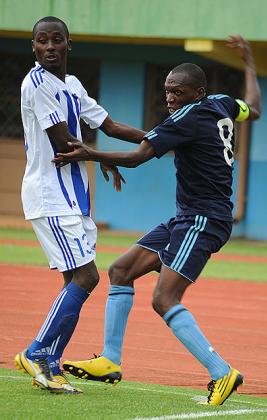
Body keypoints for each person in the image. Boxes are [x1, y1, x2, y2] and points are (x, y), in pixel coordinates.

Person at [55, 36, 261, 405]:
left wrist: (88, 153)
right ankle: (110, 361)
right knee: (120, 270)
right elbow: (255, 109)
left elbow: (140, 156)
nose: (170, 98)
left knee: (164, 298)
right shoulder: (221, 104)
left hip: (203, 219)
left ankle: (221, 372)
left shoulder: (186, 116)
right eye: (167, 91)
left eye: (177, 92)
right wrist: (249, 65)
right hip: (187, 217)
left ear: (196, 91)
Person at [15, 16, 146, 394]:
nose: (50, 46)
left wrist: (160, 138)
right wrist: (106, 158)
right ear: (34, 48)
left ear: (69, 44)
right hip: (50, 194)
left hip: (73, 195)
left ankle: (51, 362)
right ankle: (37, 351)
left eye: (57, 40)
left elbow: (107, 125)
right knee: (87, 277)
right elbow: (63, 143)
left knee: (74, 280)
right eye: (42, 41)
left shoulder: (71, 84)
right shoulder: (37, 83)